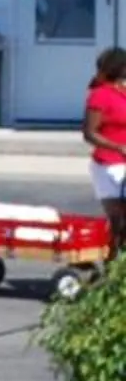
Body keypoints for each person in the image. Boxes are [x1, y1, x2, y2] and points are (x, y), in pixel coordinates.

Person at [87, 47, 126, 239]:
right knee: (118, 222)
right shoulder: (100, 94)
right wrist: (118, 147)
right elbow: (90, 133)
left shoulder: (122, 92)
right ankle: (115, 256)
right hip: (108, 165)